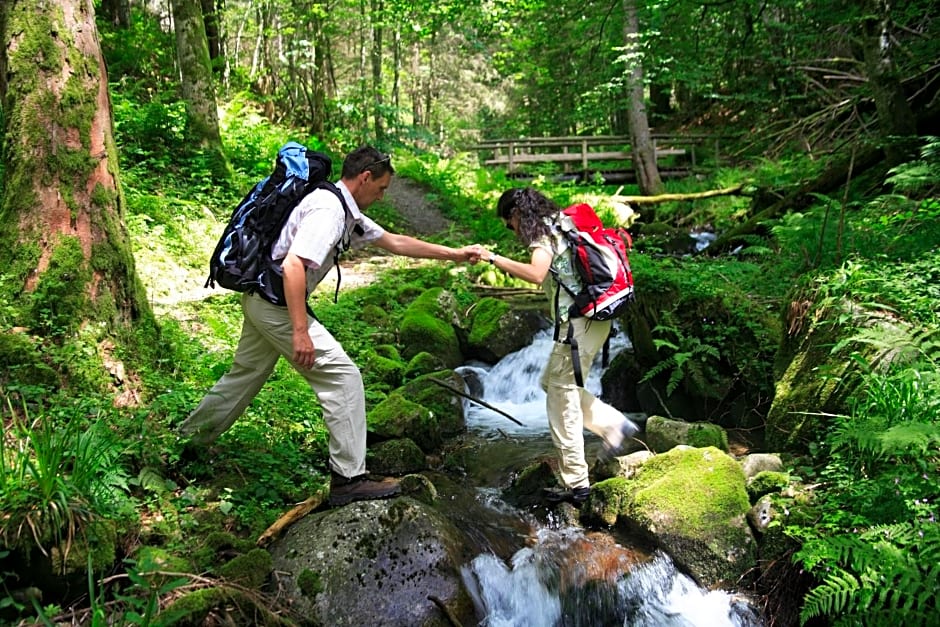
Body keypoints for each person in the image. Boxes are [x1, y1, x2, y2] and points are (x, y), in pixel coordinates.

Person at [179, 146, 482, 506]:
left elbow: (396, 242)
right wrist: (299, 331)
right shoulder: (329, 211)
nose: (382, 197)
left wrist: (455, 253)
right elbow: (293, 266)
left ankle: (186, 442)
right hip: (275, 305)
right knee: (343, 377)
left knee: (244, 375)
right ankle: (349, 478)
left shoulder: (343, 208)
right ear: (365, 177)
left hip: (262, 299)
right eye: (382, 189)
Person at [471, 188, 637, 505]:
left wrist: (493, 258)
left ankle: (577, 484)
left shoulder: (545, 234)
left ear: (517, 214)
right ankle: (614, 425)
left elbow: (535, 274)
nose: (513, 230)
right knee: (552, 384)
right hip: (596, 319)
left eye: (510, 223)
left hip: (579, 325)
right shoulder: (565, 224)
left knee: (561, 402)